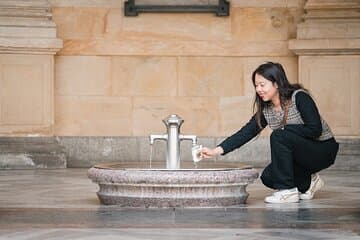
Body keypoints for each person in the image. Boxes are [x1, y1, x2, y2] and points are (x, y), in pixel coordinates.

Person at [200, 62, 339, 204]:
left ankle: (288, 191)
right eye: (256, 85)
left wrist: (286, 129)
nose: (258, 89)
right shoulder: (267, 109)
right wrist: (215, 151)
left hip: (322, 150)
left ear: (276, 83)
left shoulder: (299, 97)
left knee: (279, 136)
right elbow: (245, 133)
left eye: (262, 84)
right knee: (269, 177)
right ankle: (309, 182)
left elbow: (315, 129)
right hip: (301, 155)